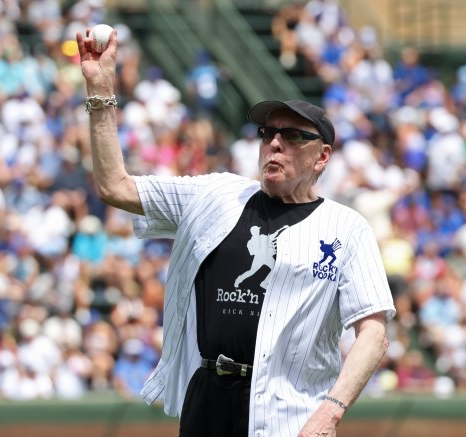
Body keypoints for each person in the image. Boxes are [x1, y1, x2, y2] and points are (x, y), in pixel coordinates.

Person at [76, 28, 396, 437]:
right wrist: (100, 91)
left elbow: (373, 333)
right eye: (268, 133)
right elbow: (114, 187)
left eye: (293, 135)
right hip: (208, 400)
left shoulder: (347, 228)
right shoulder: (214, 194)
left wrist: (331, 412)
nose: (275, 143)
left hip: (291, 413)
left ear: (322, 157)